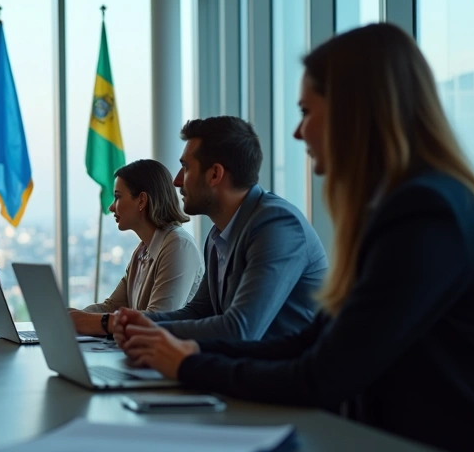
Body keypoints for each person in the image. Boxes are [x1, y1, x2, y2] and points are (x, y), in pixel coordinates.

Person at [118, 23, 474, 452]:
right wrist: (188, 354)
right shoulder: (403, 207)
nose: (298, 133)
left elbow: (321, 377)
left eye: (306, 111)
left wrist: (189, 364)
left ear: (353, 113)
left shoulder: (425, 216)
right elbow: (311, 342)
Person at [110, 117, 327, 343]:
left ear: (215, 174)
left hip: (286, 365)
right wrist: (135, 323)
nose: (176, 181)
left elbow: (240, 330)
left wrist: (143, 329)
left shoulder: (277, 226)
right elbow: (198, 312)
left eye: (186, 167)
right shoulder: (217, 237)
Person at [68, 159, 203, 337]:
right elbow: (112, 307)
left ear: (141, 200)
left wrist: (81, 320)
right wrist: (70, 316)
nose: (111, 207)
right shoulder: (142, 251)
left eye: (117, 197)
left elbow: (158, 320)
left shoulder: (179, 246)